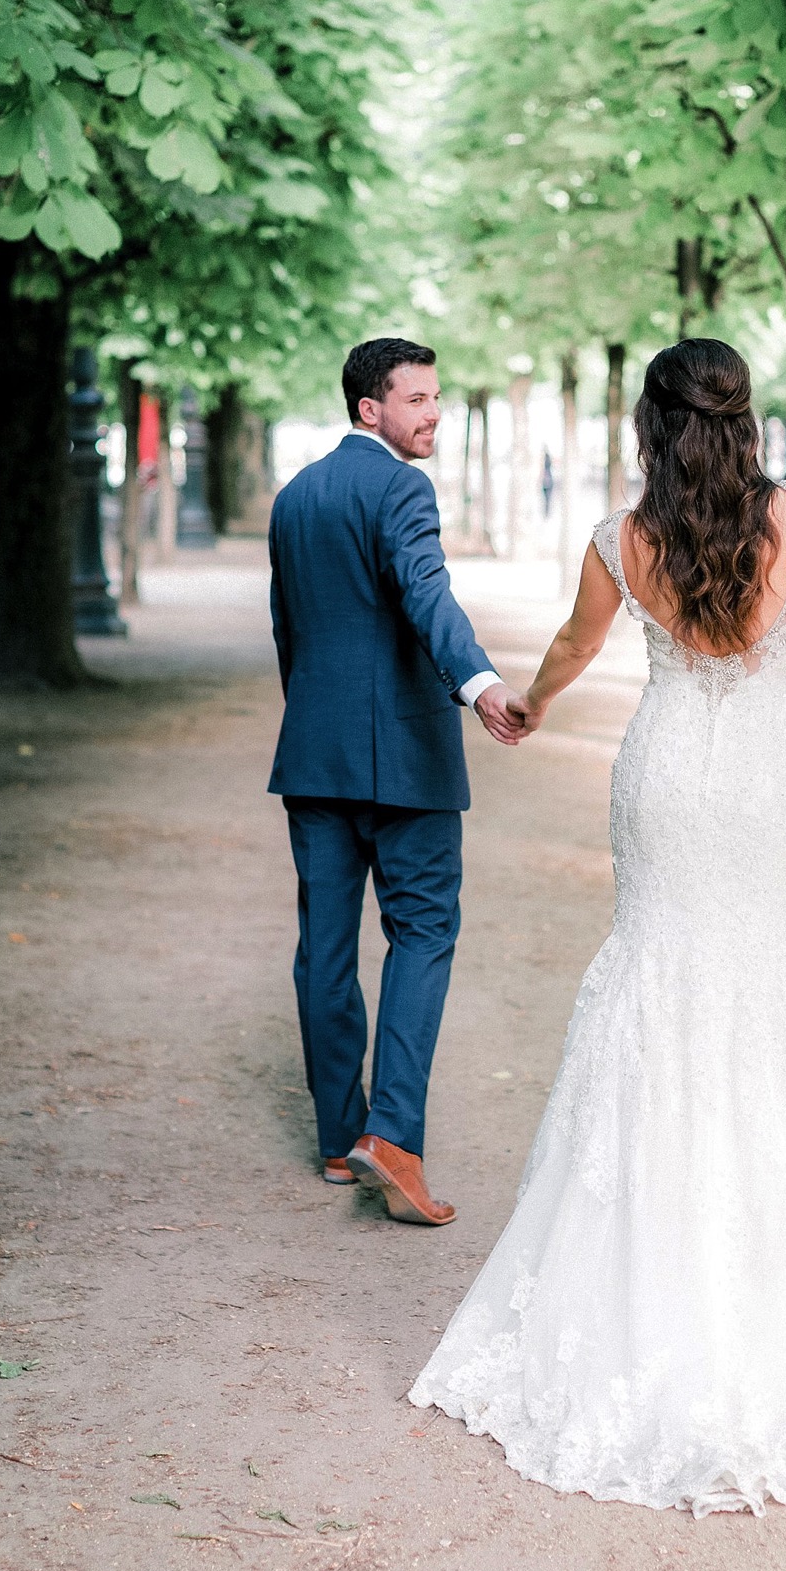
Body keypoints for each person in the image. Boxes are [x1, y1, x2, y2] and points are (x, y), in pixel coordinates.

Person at [410, 338, 786, 1512]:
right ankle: (771, 1287)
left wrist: (528, 706)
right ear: (743, 417)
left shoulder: (622, 539)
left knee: (654, 986)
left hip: (664, 784)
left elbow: (571, 648)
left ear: (650, 422)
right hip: (767, 786)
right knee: (766, 996)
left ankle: (639, 1284)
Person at [268, 338, 526, 1228]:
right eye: (416, 400)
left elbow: (288, 634)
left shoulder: (296, 497)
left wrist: (315, 723)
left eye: (437, 398)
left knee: (325, 950)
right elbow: (425, 593)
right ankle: (394, 1139)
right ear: (369, 409)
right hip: (407, 763)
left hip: (315, 753)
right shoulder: (402, 489)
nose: (433, 415)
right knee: (423, 933)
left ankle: (342, 1141)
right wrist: (484, 686)